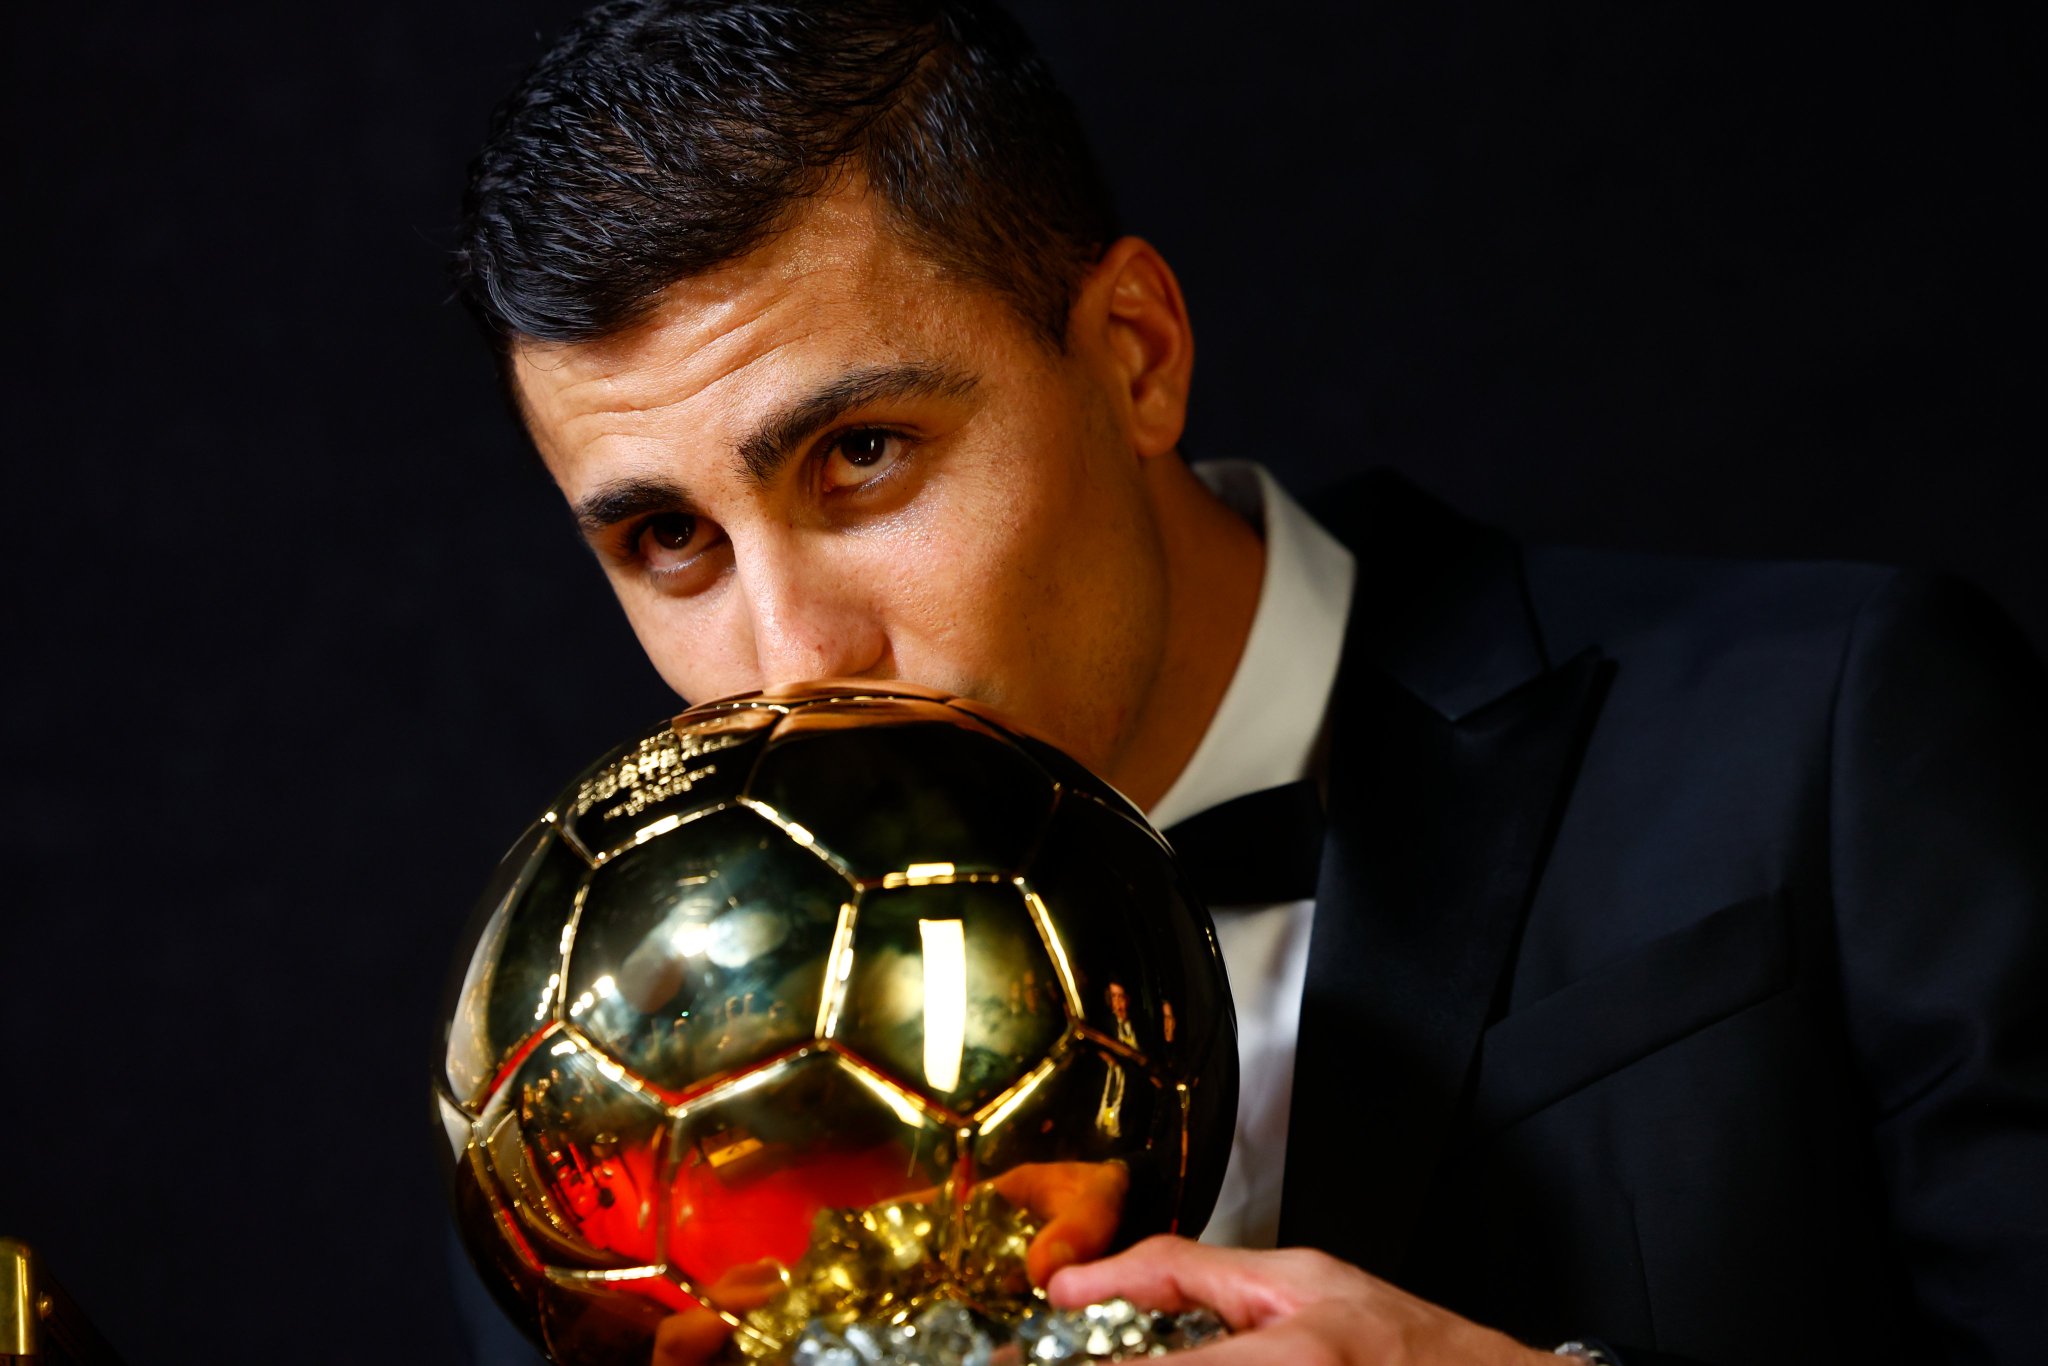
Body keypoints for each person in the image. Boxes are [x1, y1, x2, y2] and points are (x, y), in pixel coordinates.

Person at [451, 2, 2048, 1362]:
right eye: (670, 538)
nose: (796, 659)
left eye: (862, 454)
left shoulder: (1830, 735)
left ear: (1135, 353)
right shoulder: (600, 1132)